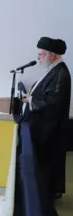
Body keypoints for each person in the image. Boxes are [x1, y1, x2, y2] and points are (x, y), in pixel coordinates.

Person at [20, 36, 71, 200]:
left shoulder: (61, 73)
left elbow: (54, 102)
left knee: (48, 164)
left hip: (51, 130)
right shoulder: (53, 69)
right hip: (43, 126)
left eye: (41, 54)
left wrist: (31, 100)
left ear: (53, 55)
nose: (38, 58)